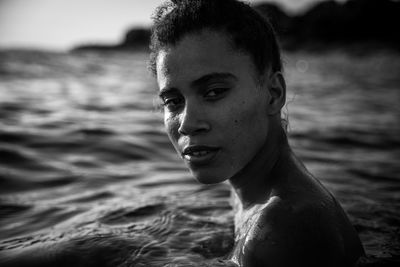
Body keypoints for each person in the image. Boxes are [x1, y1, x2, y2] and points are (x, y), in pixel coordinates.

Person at [149, 0, 365, 266]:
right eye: (173, 101)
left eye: (214, 91)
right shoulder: (246, 188)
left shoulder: (282, 228)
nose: (187, 123)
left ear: (273, 94)